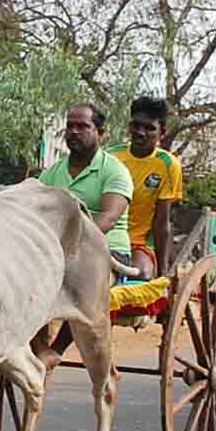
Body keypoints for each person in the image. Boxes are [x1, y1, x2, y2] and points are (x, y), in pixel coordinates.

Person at [36, 103, 133, 368]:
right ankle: (30, 344)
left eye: (83, 126)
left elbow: (109, 218)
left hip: (106, 252)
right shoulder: (52, 173)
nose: (74, 132)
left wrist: (66, 243)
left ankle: (55, 350)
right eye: (70, 126)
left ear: (100, 132)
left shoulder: (114, 171)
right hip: (55, 251)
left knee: (81, 277)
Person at [110, 97, 183, 280]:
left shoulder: (169, 165)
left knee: (141, 274)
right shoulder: (110, 157)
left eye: (149, 128)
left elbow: (162, 222)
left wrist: (163, 274)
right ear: (129, 127)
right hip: (105, 238)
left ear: (162, 133)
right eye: (136, 126)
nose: (140, 132)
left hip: (138, 244)